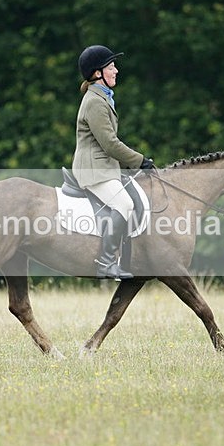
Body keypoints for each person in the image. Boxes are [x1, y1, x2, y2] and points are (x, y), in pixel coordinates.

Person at [72, 45, 154, 279]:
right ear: (97, 73)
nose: (116, 70)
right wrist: (140, 161)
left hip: (105, 168)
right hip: (94, 170)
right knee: (125, 205)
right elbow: (109, 143)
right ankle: (105, 263)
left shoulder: (102, 97)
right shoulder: (95, 101)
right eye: (111, 67)